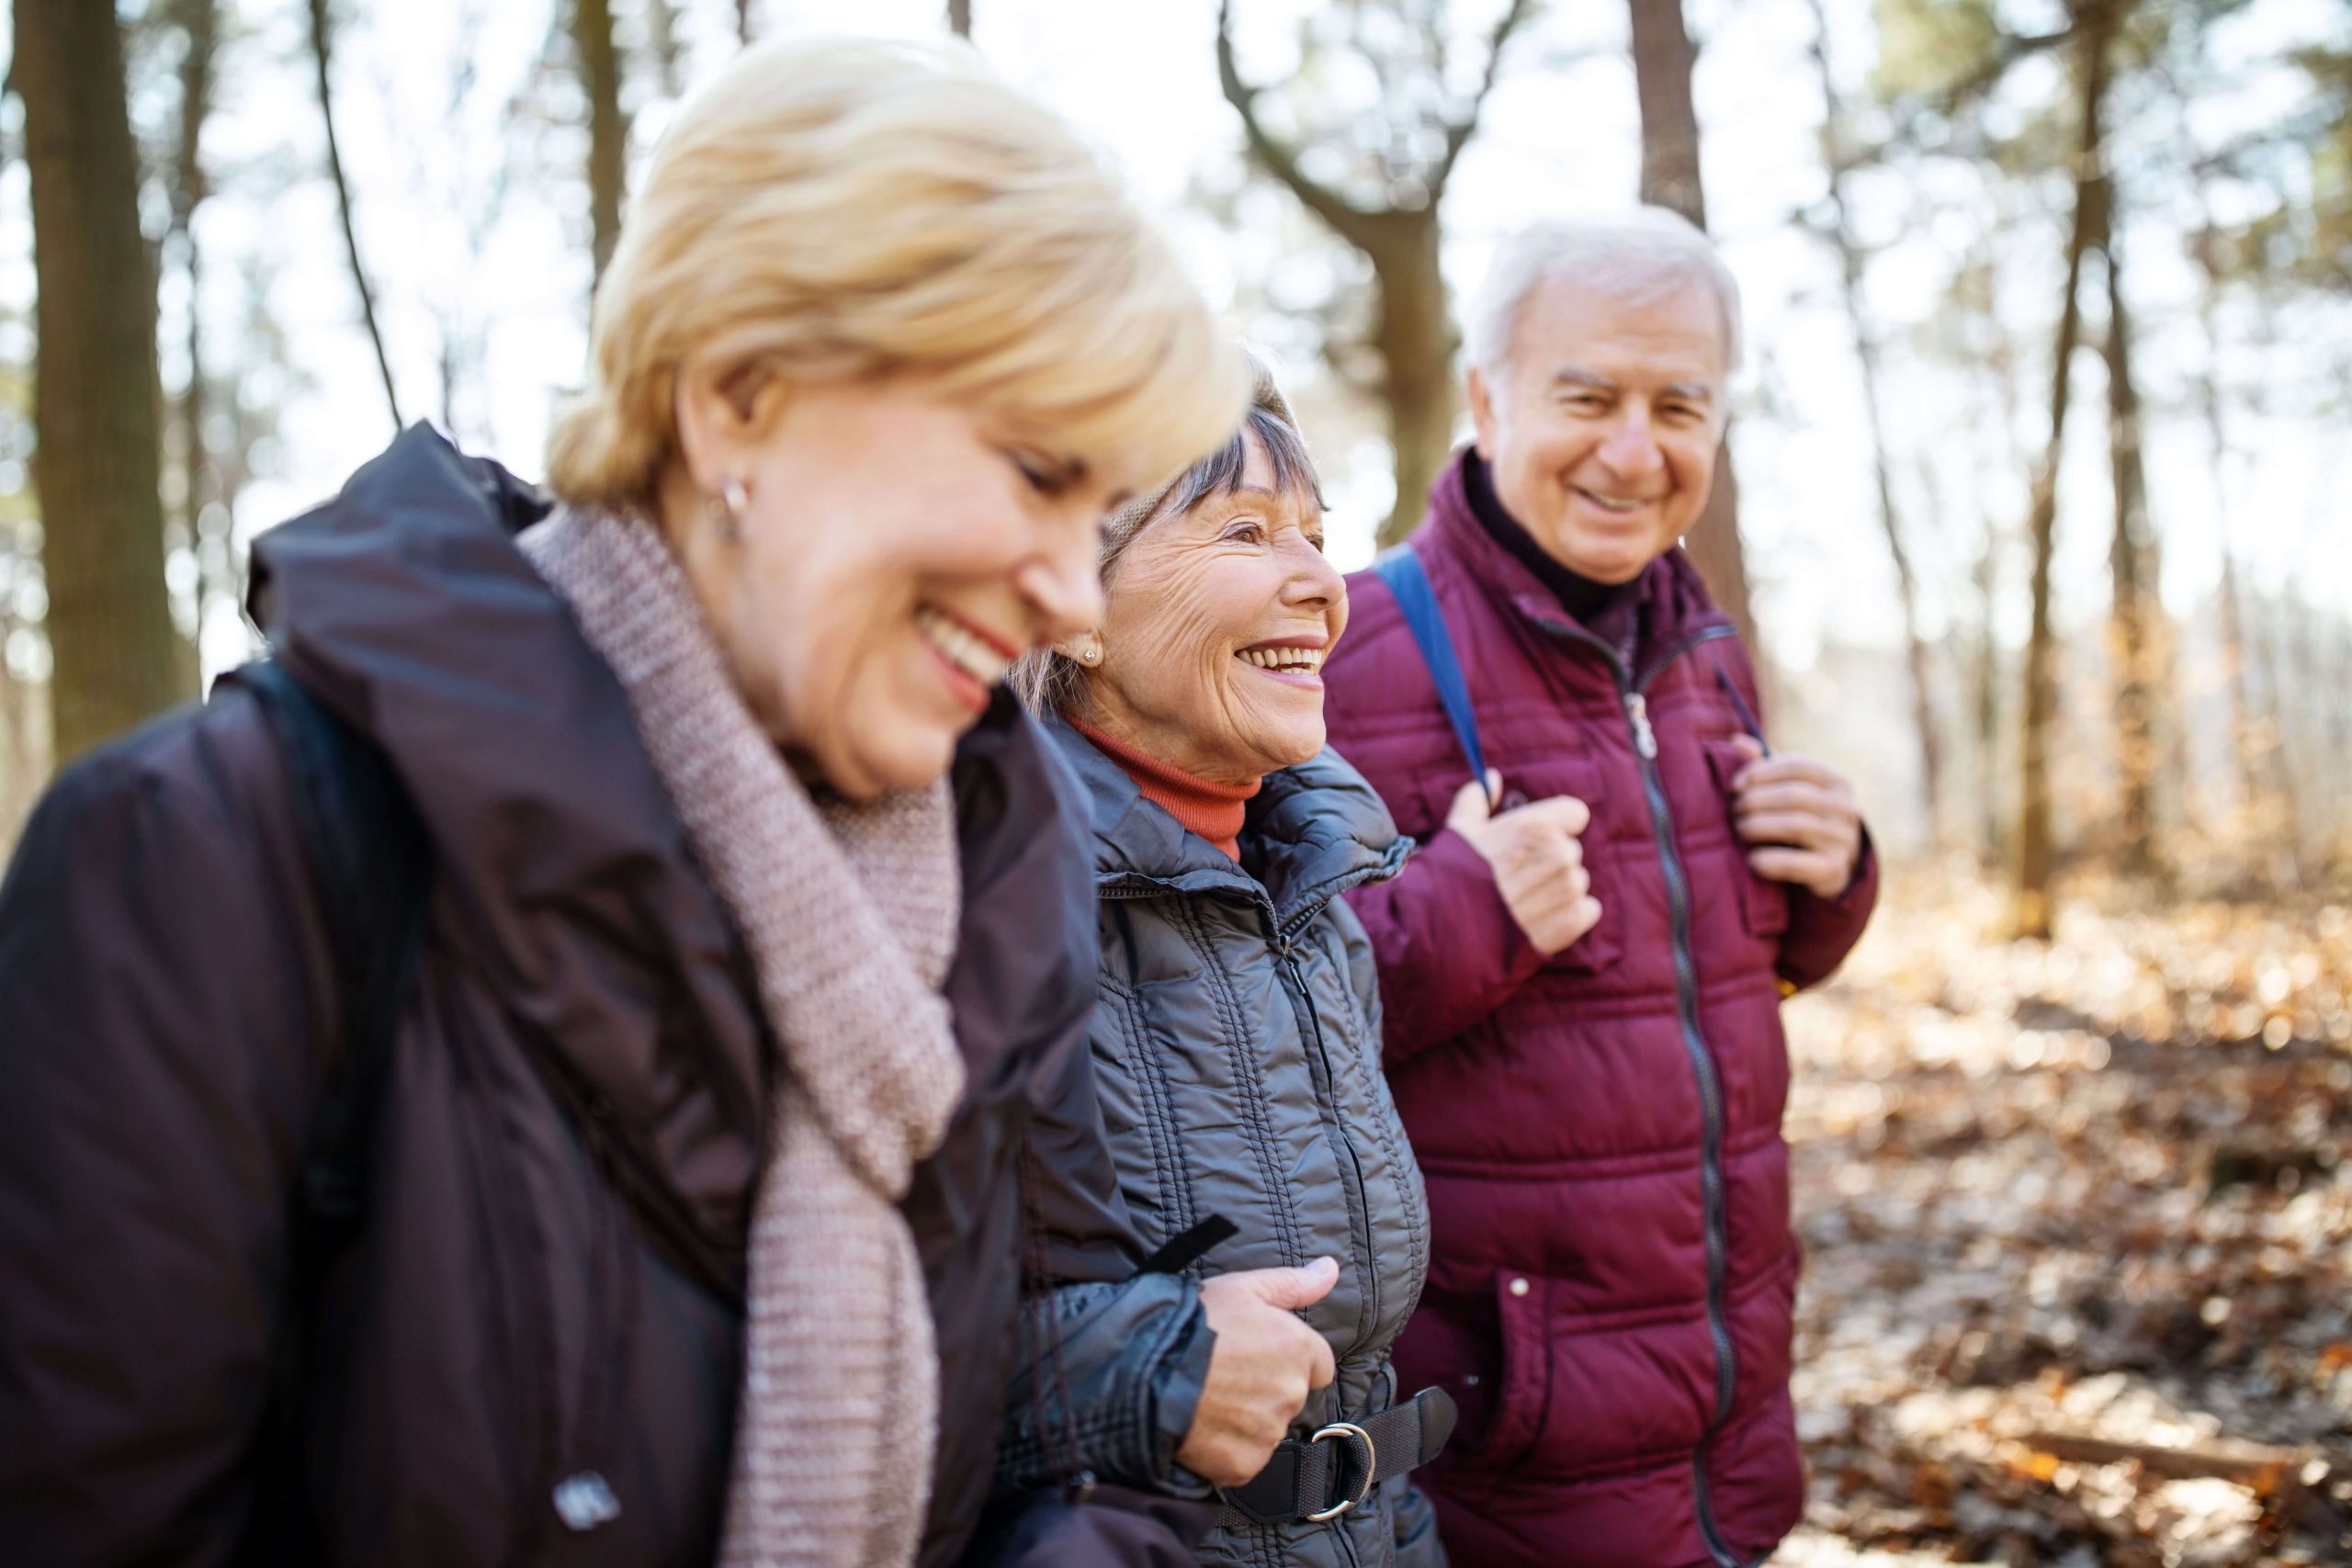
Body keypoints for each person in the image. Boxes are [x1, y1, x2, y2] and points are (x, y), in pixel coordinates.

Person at [0, 38, 1249, 1568]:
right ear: (734, 398)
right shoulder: (213, 859)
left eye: (1099, 512)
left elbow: (1056, 1426)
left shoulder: (1002, 855)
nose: (1073, 600)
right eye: (1036, 470)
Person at [1318, 211, 1880, 1567]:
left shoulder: (1703, 653)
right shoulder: (1340, 655)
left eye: (1680, 405)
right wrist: (1462, 913)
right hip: (1503, 1477)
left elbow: (1697, 975)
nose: (1638, 453)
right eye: (1590, 398)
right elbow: (1237, 1042)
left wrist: (1833, 885)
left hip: (1732, 1441)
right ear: (1484, 398)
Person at [1001, 362, 1452, 1568]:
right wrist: (1140, 1373)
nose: (1321, 584)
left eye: (1318, 535)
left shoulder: (1316, 876)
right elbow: (837, 1348)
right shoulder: (979, 896)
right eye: (1246, 533)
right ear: (1074, 606)